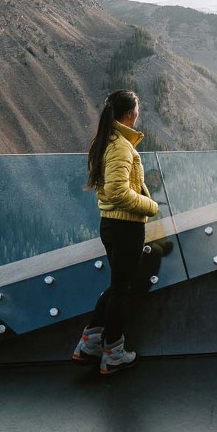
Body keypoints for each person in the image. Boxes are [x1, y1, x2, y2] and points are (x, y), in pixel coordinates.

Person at [72, 89, 160, 375]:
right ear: (130, 114)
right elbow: (118, 191)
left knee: (117, 286)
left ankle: (90, 343)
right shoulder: (121, 145)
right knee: (122, 290)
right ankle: (114, 352)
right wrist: (150, 206)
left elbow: (108, 189)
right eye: (138, 109)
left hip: (110, 224)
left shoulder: (105, 141)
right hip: (126, 228)